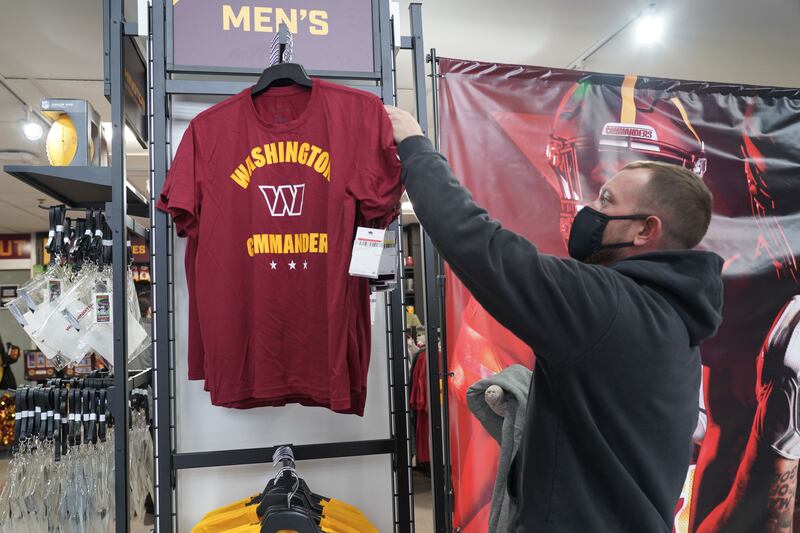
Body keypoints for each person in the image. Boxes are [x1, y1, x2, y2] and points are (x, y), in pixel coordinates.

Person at [384, 105, 725, 532]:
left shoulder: (607, 304)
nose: (591, 209)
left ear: (645, 229)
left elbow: (479, 245)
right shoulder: (674, 318)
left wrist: (415, 147)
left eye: (607, 201)